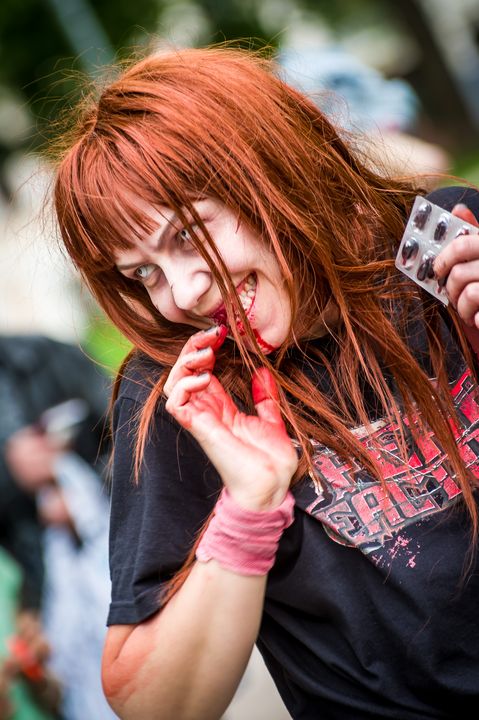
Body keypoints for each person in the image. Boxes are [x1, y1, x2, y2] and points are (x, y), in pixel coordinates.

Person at [51, 46, 479, 720]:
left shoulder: (442, 248)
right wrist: (248, 508)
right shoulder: (186, 392)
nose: (181, 295)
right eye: (143, 273)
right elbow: (154, 705)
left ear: (268, 171)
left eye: (188, 235)